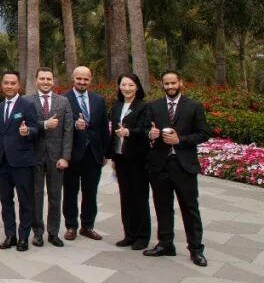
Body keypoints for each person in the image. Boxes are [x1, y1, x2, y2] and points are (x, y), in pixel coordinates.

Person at [144, 70, 209, 267]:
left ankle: (196, 249)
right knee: (162, 207)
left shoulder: (194, 106)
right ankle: (165, 244)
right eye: (167, 83)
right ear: (162, 85)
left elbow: (204, 133)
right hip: (160, 165)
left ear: (180, 82)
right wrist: (150, 134)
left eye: (173, 83)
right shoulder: (154, 106)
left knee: (190, 209)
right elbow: (146, 129)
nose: (170, 87)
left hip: (184, 166)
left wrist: (180, 140)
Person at [0, 71, 39, 251]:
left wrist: (27, 131)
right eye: (6, 83)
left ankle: (23, 237)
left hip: (22, 162)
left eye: (13, 83)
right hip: (3, 162)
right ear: (1, 85)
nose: (9, 86)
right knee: (6, 202)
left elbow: (36, 129)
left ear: (18, 85)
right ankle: (10, 235)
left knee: (25, 201)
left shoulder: (27, 105)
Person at [63, 65, 109, 241]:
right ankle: (71, 226)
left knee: (90, 192)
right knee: (70, 192)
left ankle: (87, 226)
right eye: (79, 78)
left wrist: (105, 153)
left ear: (90, 80)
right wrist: (75, 126)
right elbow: (61, 128)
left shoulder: (99, 100)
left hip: (93, 154)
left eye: (85, 79)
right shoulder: (63, 99)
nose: (82, 82)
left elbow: (104, 128)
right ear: (73, 78)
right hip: (73, 154)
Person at [108, 73, 152, 251]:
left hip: (138, 159)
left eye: (130, 85)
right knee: (125, 198)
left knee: (139, 197)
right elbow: (112, 134)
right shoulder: (116, 107)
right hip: (121, 158)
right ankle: (129, 234)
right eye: (123, 85)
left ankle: (142, 236)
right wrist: (112, 156)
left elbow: (146, 130)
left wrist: (130, 132)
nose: (127, 88)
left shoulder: (143, 107)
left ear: (137, 87)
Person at [30, 68, 73, 247]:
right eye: (42, 78)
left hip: (57, 157)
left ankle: (53, 233)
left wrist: (66, 157)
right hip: (34, 156)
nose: (46, 82)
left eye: (49, 79)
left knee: (55, 196)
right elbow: (27, 125)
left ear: (53, 81)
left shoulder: (63, 101)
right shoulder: (27, 101)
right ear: (36, 80)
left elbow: (68, 131)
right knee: (36, 195)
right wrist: (45, 124)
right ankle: (38, 232)